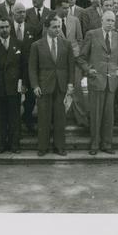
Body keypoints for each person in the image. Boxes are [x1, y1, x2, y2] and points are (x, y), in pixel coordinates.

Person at [78, 11, 118, 155]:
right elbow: (81, 58)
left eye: (112, 20)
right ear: (101, 21)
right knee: (96, 114)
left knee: (109, 115)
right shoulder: (92, 34)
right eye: (108, 20)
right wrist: (88, 70)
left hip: (111, 81)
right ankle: (95, 144)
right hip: (96, 80)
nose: (110, 23)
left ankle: (107, 144)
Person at [29, 12, 75, 156]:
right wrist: (35, 85)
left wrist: (70, 84)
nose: (57, 29)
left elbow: (71, 66)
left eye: (59, 27)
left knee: (60, 117)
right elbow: (32, 68)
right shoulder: (37, 45)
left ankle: (59, 146)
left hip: (61, 85)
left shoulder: (66, 44)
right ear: (47, 27)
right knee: (43, 117)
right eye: (54, 27)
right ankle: (42, 147)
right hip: (44, 85)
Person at [0, 18, 25, 153]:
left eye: (7, 27)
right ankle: (0, 145)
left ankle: (15, 145)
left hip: (14, 87)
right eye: (1, 27)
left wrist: (23, 86)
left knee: (15, 118)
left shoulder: (19, 44)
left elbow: (23, 67)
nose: (4, 30)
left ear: (10, 28)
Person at [54, 0, 87, 127]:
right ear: (57, 8)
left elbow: (80, 39)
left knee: (77, 89)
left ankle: (81, 119)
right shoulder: (52, 21)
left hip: (74, 60)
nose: (66, 10)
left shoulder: (75, 20)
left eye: (68, 8)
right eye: (63, 8)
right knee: (60, 90)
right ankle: (59, 120)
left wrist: (76, 53)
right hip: (59, 62)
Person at [10, 2, 39, 132]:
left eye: (23, 12)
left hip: (28, 68)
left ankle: (28, 118)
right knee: (13, 97)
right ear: (13, 13)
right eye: (19, 12)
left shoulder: (32, 29)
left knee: (30, 97)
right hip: (11, 69)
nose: (22, 14)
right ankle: (14, 123)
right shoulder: (6, 27)